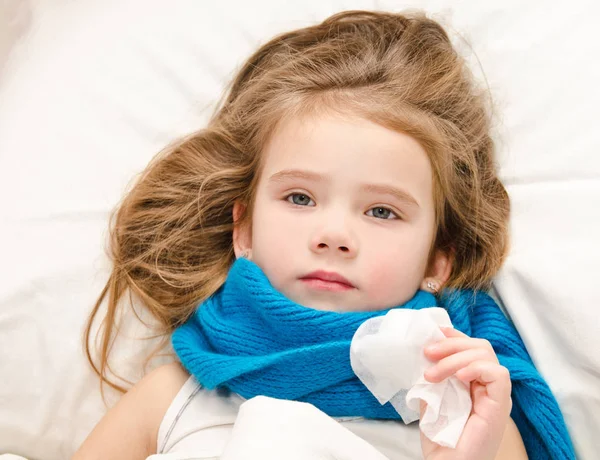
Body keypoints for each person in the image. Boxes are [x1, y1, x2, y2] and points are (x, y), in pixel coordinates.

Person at [73, 10, 574, 460]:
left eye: (381, 211)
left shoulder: (469, 422)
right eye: (299, 199)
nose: (334, 236)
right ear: (242, 228)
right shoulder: (172, 397)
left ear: (436, 263)